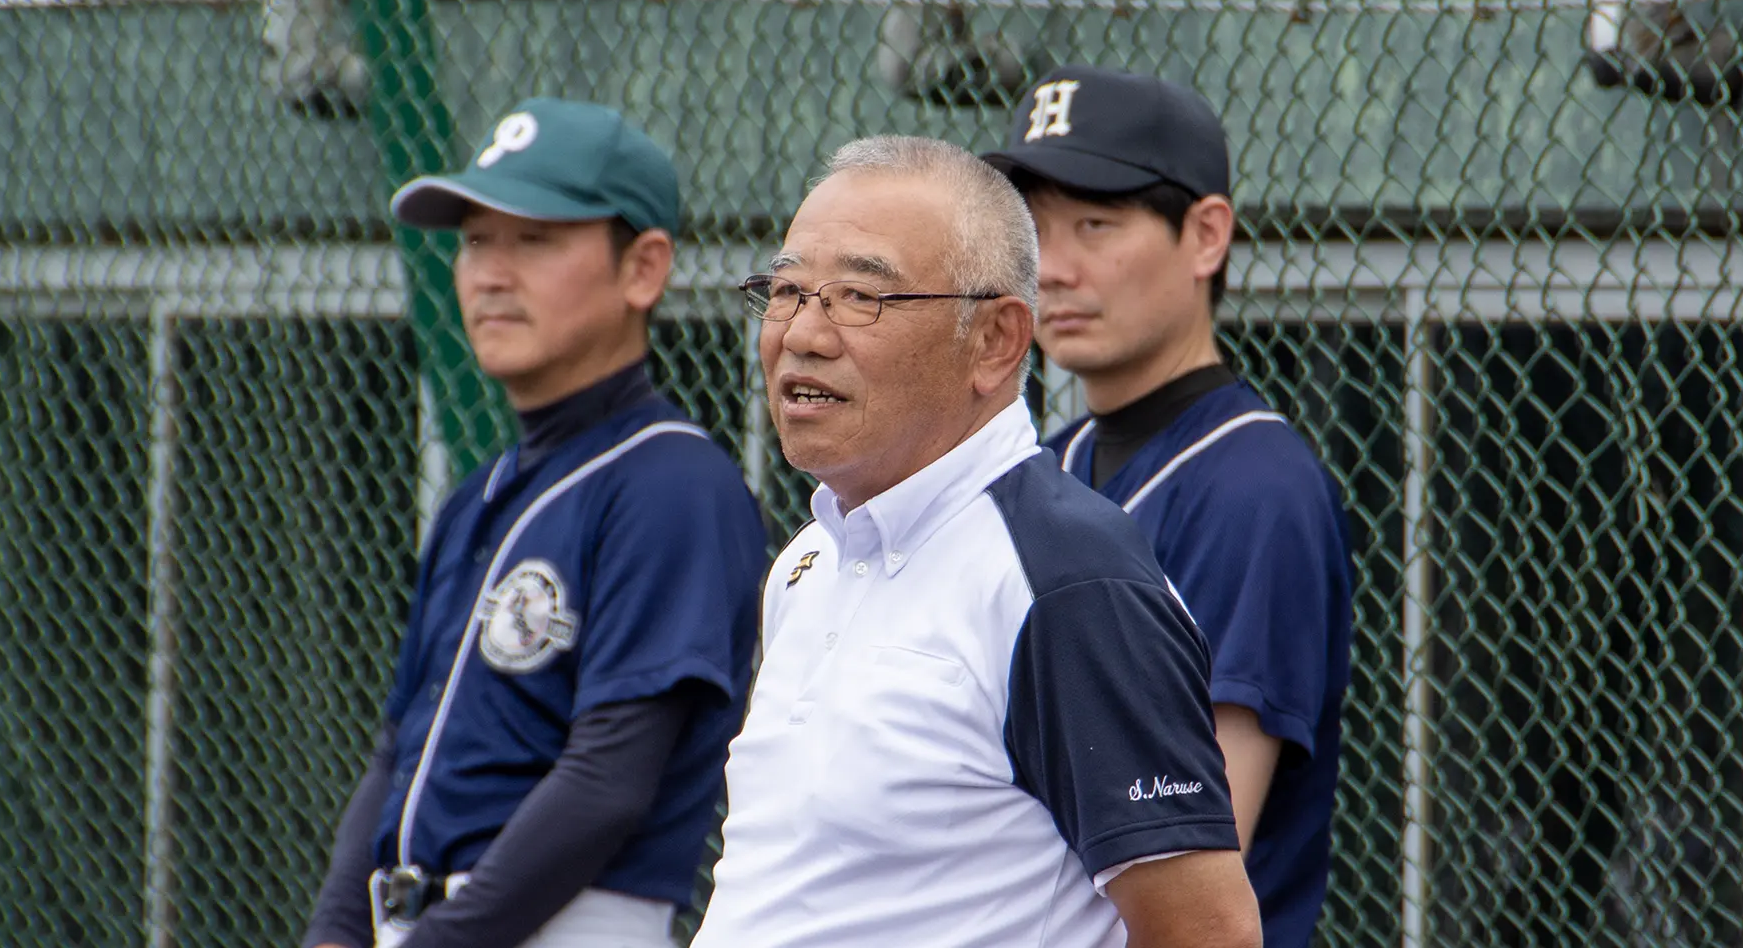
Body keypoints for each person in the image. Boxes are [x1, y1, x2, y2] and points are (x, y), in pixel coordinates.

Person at [692, 135, 1262, 948]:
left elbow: (1209, 933)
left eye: (860, 296)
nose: (802, 334)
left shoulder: (1065, 581)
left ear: (996, 340)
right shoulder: (807, 564)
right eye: (785, 290)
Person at [299, 96, 768, 948]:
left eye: (536, 240)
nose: (489, 273)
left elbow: (608, 783)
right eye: (476, 240)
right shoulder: (478, 495)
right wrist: (334, 932)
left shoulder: (673, 484)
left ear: (643, 268)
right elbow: (396, 749)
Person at [983, 64, 1355, 948]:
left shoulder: (1254, 487)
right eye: (1032, 231)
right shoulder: (1052, 459)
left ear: (1205, 235)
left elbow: (1204, 833)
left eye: (1096, 224)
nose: (1054, 268)